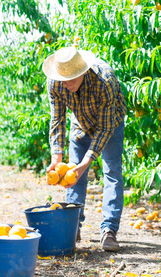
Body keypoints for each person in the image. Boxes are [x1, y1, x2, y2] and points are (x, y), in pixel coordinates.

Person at [43, 47, 127, 252]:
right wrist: (57, 157)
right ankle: (73, 228)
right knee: (73, 176)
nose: (66, 84)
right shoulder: (56, 81)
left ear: (82, 72)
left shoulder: (105, 80)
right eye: (62, 79)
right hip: (80, 125)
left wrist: (85, 164)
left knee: (112, 172)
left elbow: (105, 128)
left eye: (71, 79)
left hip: (110, 125)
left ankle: (109, 230)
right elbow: (57, 119)